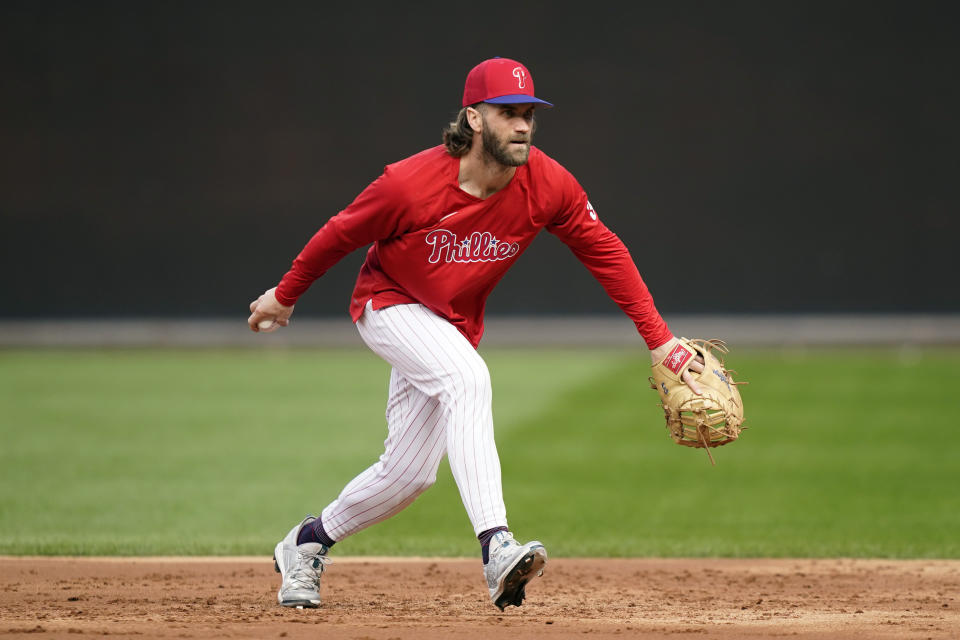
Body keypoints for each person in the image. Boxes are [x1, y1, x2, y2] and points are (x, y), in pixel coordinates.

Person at [247, 56, 704, 611]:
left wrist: (659, 339)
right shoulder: (408, 184)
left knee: (409, 476)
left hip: (451, 324)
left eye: (529, 114)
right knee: (468, 379)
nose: (522, 125)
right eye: (507, 112)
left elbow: (603, 249)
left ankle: (306, 544)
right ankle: (496, 546)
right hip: (388, 304)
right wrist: (285, 294)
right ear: (473, 118)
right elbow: (341, 233)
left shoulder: (548, 184)